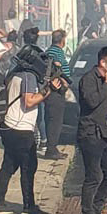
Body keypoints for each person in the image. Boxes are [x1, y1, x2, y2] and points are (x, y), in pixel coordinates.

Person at [0, 44, 63, 214]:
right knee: (29, 167)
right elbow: (29, 101)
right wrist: (49, 90)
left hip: (8, 127)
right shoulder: (28, 76)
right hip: (20, 129)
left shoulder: (14, 74)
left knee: (9, 165)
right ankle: (29, 206)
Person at [77, 46, 107, 214]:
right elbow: (91, 101)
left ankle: (95, 206)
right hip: (90, 133)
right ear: (103, 63)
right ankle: (87, 213)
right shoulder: (89, 79)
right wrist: (106, 84)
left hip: (106, 133)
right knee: (93, 176)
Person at [43, 30, 70, 160]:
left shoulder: (50, 51)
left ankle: (52, 147)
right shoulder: (56, 53)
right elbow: (58, 70)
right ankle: (51, 149)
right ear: (62, 40)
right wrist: (65, 84)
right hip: (56, 92)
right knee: (55, 121)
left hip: (53, 92)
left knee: (52, 120)